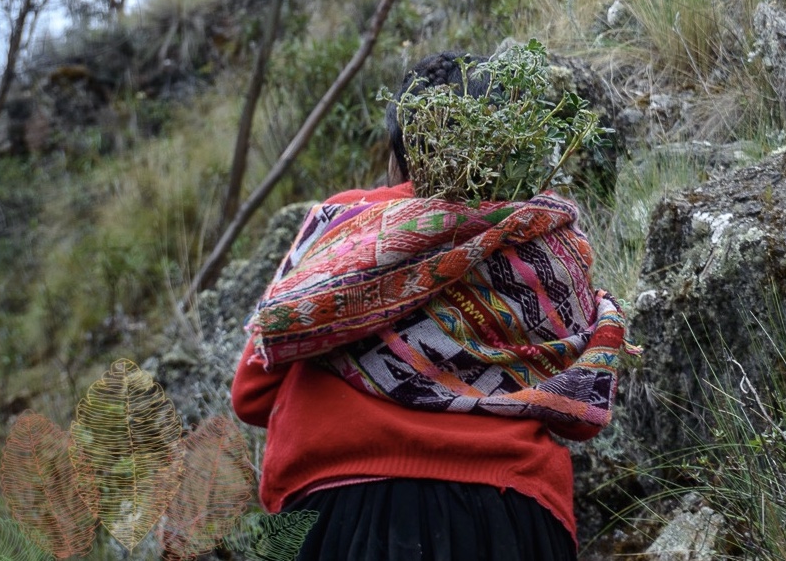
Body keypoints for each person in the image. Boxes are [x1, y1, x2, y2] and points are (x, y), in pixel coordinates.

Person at [234, 54, 624, 561]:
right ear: (508, 150)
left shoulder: (349, 228)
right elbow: (579, 408)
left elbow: (252, 393)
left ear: (398, 157)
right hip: (516, 520)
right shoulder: (551, 247)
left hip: (337, 512)